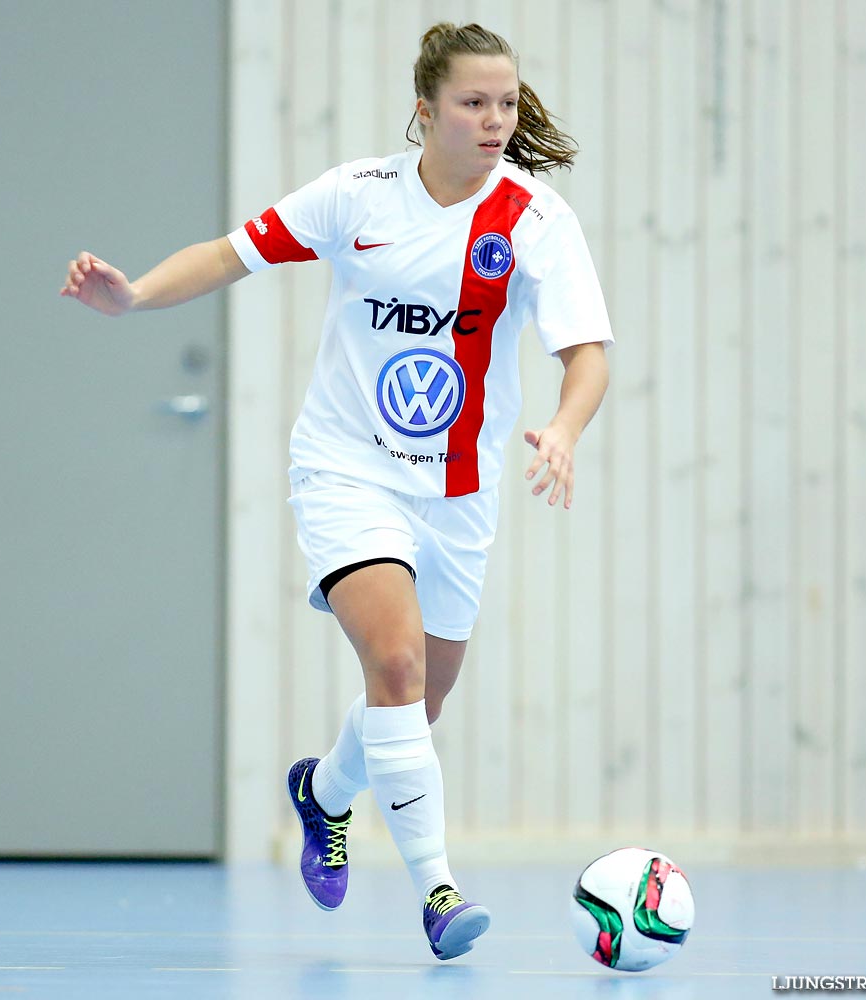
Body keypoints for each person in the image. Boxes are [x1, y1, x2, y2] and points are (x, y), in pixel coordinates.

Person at [61, 21, 612, 961]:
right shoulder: (357, 195)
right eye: (473, 103)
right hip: (347, 468)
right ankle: (439, 893)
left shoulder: (536, 222)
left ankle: (322, 794)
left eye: (506, 104)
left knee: (417, 703)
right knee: (392, 665)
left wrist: (561, 429)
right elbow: (230, 252)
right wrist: (138, 297)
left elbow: (586, 355)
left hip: (462, 493)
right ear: (425, 110)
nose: (493, 121)